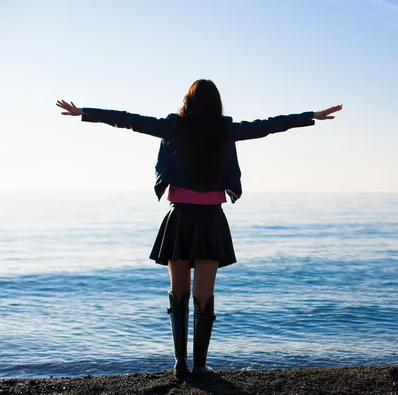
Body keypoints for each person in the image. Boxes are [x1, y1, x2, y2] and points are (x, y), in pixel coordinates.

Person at [56, 79, 342, 377]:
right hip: (210, 219)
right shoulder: (225, 129)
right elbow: (268, 125)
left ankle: (180, 362)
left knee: (178, 293)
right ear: (217, 103)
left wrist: (85, 112)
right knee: (203, 295)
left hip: (179, 218)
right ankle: (201, 364)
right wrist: (311, 116)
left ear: (188, 101)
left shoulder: (173, 127)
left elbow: (129, 121)